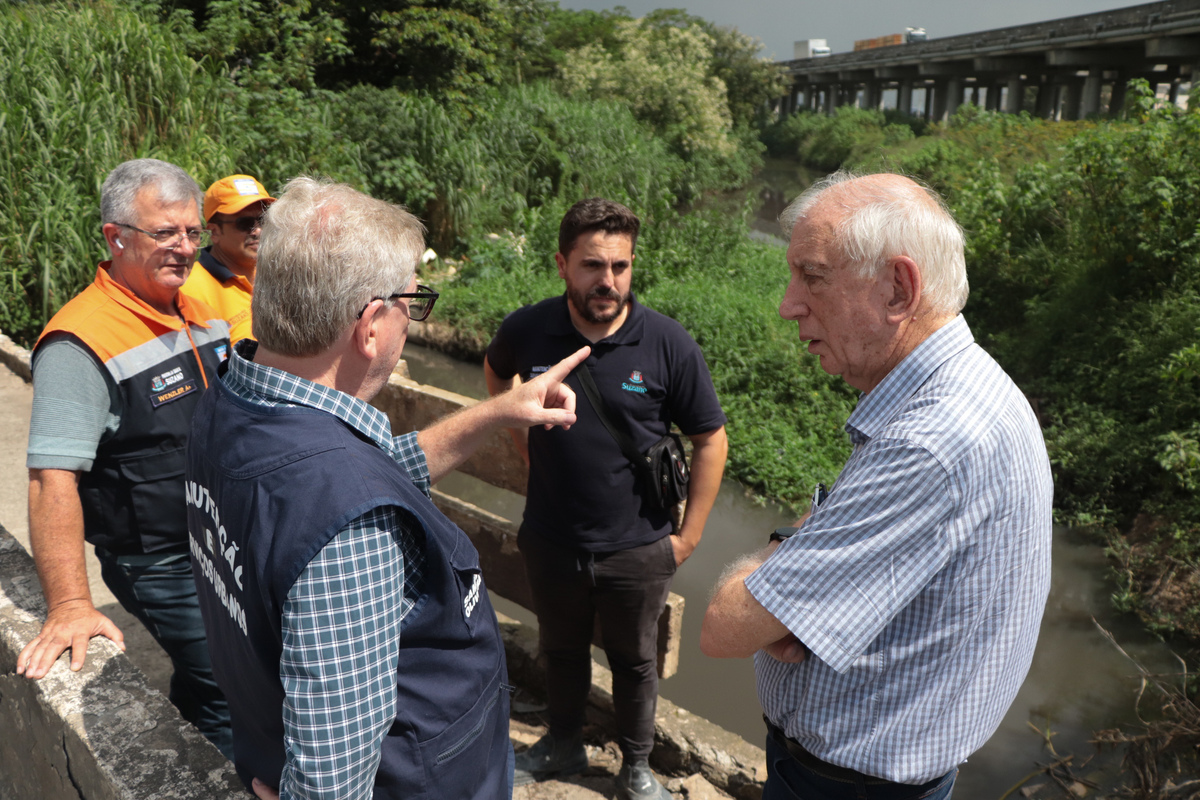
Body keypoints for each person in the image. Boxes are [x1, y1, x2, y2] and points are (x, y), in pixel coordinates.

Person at [184, 176, 591, 800]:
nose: (412, 321)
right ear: (371, 324)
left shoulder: (230, 404)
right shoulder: (350, 525)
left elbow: (352, 482)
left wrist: (500, 410)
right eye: (411, 302)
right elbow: (331, 784)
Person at [700, 172, 1053, 800]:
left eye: (812, 276)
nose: (787, 304)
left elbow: (727, 626)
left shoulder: (930, 442)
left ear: (898, 288)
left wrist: (780, 571)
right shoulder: (973, 388)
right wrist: (797, 569)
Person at [484, 197, 729, 800]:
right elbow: (495, 373)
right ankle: (562, 743)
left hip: (638, 546)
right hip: (550, 533)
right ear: (564, 264)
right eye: (593, 265)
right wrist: (524, 444)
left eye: (620, 266)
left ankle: (636, 767)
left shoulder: (667, 343)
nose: (608, 281)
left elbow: (710, 438)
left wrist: (689, 536)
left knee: (635, 662)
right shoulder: (529, 328)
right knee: (560, 648)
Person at [17, 158, 234, 758]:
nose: (186, 248)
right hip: (161, 555)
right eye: (165, 233)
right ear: (115, 238)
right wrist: (69, 606)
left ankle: (198, 751)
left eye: (193, 232)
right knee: (231, 683)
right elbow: (50, 479)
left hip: (223, 535)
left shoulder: (197, 304)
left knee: (220, 679)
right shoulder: (79, 343)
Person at [182, 173, 275, 343]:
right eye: (245, 224)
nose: (258, 231)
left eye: (264, 220)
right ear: (215, 232)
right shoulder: (191, 290)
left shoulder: (277, 274)